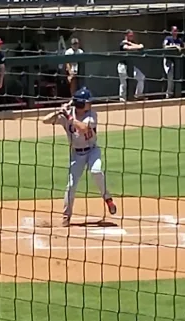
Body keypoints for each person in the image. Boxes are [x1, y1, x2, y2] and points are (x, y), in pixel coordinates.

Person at [41, 87, 117, 226]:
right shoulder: (66, 114)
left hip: (92, 151)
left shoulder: (92, 115)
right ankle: (66, 216)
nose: (90, 104)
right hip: (76, 154)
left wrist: (68, 116)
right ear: (81, 104)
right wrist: (59, 111)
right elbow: (44, 120)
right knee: (71, 186)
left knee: (96, 171)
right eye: (88, 102)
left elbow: (82, 128)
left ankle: (107, 198)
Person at [117, 30, 145, 102]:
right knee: (124, 83)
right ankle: (122, 99)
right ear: (126, 36)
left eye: (132, 35)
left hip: (130, 66)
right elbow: (127, 48)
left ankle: (138, 95)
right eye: (130, 35)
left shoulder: (130, 43)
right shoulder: (123, 43)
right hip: (123, 66)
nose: (132, 37)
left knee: (141, 77)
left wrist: (132, 44)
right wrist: (137, 46)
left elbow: (140, 46)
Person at [162, 26, 185, 98]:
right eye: (174, 30)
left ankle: (174, 94)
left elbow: (184, 44)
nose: (175, 32)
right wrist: (175, 46)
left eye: (176, 30)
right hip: (168, 60)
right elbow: (164, 46)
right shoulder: (168, 38)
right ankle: (168, 94)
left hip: (177, 61)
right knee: (169, 77)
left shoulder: (179, 40)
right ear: (171, 32)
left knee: (176, 77)